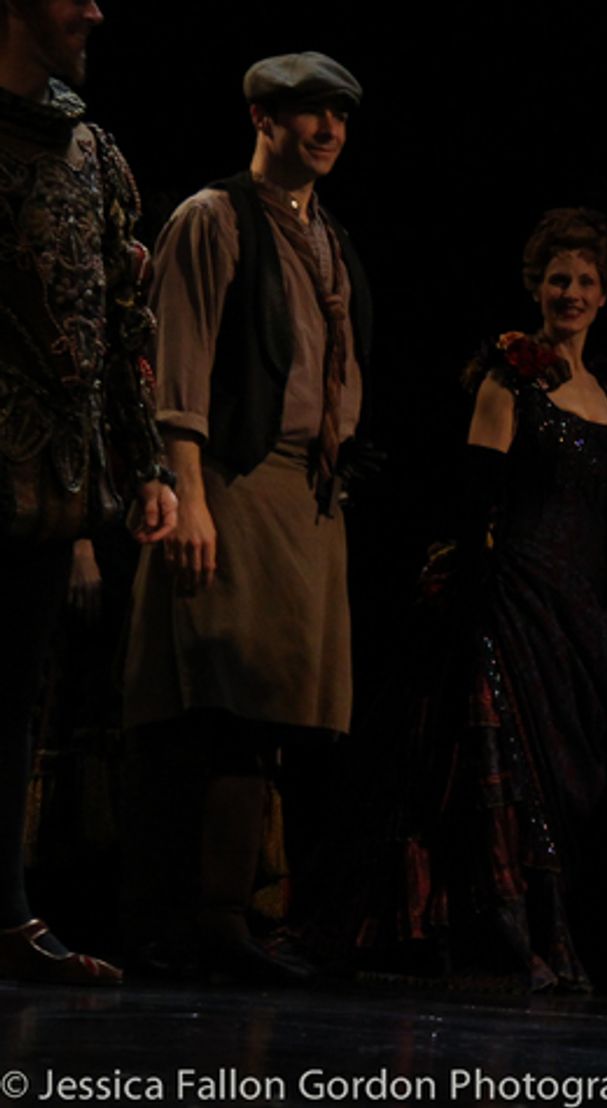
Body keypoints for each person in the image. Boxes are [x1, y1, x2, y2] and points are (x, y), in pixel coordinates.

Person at [121, 51, 370, 982]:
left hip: (307, 490)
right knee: (213, 698)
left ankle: (237, 911)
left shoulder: (326, 235)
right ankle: (190, 919)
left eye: (340, 117)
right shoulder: (214, 217)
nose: (328, 131)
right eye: (310, 113)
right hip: (230, 476)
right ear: (263, 117)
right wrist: (182, 483)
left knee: (271, 713)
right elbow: (175, 357)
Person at [351, 209, 607, 992]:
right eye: (556, 279)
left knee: (567, 776)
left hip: (578, 605)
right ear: (536, 288)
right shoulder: (509, 380)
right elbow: (478, 503)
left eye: (583, 281)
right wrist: (471, 596)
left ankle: (550, 932)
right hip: (512, 599)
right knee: (503, 773)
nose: (569, 292)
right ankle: (502, 938)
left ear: (604, 295)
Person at [0, 0, 177, 985]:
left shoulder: (90, 154)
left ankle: (5, 909)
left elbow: (122, 322)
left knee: (17, 697)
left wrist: (145, 463)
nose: (98, 12)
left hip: (43, 480)